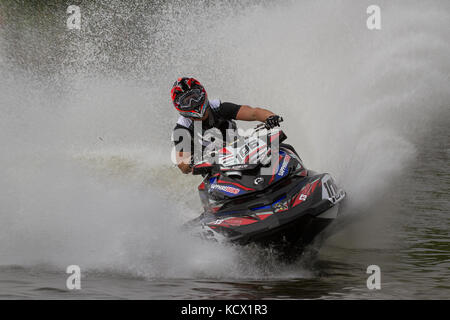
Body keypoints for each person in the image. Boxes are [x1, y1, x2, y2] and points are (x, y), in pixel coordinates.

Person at [171, 77, 282, 174]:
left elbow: (253, 113)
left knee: (281, 150)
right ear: (179, 106)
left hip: (242, 154)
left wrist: (270, 117)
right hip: (215, 169)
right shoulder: (182, 128)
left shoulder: (220, 108)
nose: (193, 102)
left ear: (202, 92)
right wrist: (191, 161)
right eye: (187, 101)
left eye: (195, 96)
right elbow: (183, 165)